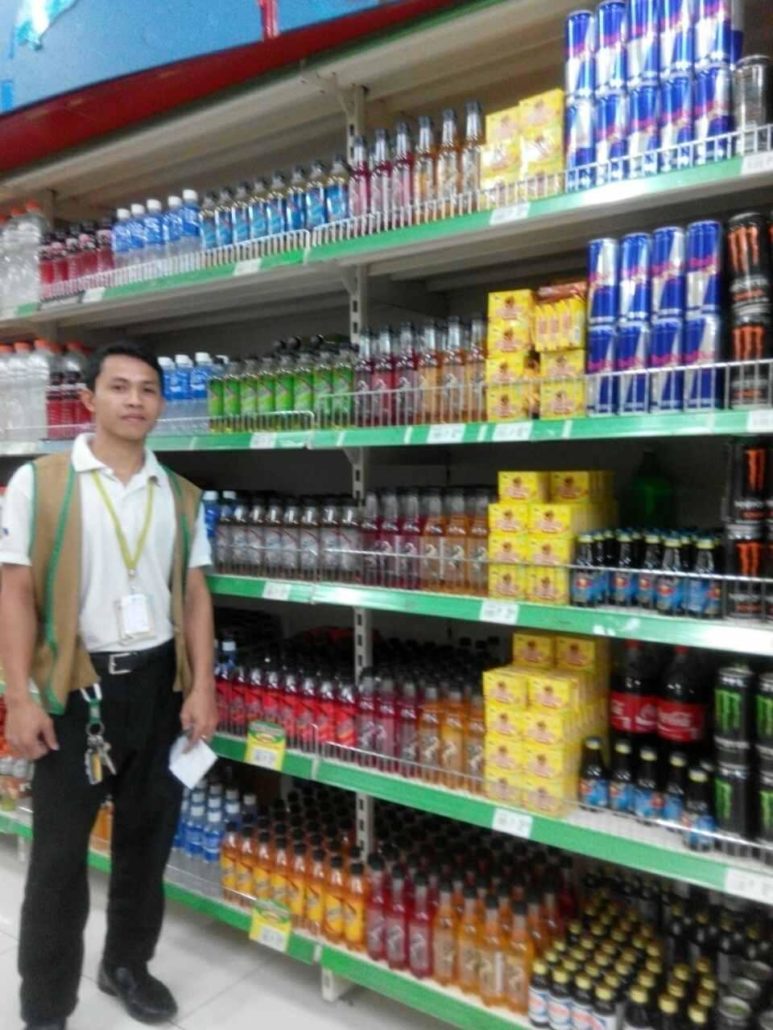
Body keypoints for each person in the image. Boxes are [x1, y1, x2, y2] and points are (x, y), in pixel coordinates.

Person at [0, 341, 218, 1030]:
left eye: (148, 389)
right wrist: (18, 697)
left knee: (147, 843)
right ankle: (45, 1007)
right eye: (119, 387)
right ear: (88, 399)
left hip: (157, 686)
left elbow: (195, 595)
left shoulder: (180, 495)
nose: (134, 400)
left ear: (161, 404)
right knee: (58, 860)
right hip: (76, 689)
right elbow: (15, 590)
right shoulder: (42, 483)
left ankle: (126, 964)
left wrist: (202, 687)